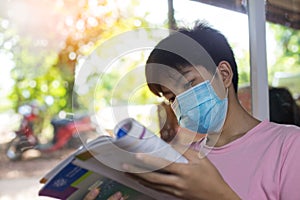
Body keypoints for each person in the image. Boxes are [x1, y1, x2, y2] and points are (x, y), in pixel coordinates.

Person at [119, 22, 300, 200]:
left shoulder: (288, 146)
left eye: (188, 84)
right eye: (172, 97)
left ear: (224, 74)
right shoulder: (182, 160)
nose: (181, 101)